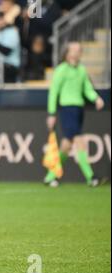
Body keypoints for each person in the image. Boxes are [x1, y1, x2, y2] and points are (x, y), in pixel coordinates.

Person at [44, 42, 105, 187]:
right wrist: (51, 113)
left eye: (78, 50)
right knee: (79, 141)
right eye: (73, 50)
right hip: (67, 109)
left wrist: (96, 98)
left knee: (66, 145)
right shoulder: (61, 70)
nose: (76, 53)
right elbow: (53, 92)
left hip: (78, 109)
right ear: (67, 52)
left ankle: (50, 176)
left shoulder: (82, 70)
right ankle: (91, 177)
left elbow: (87, 89)